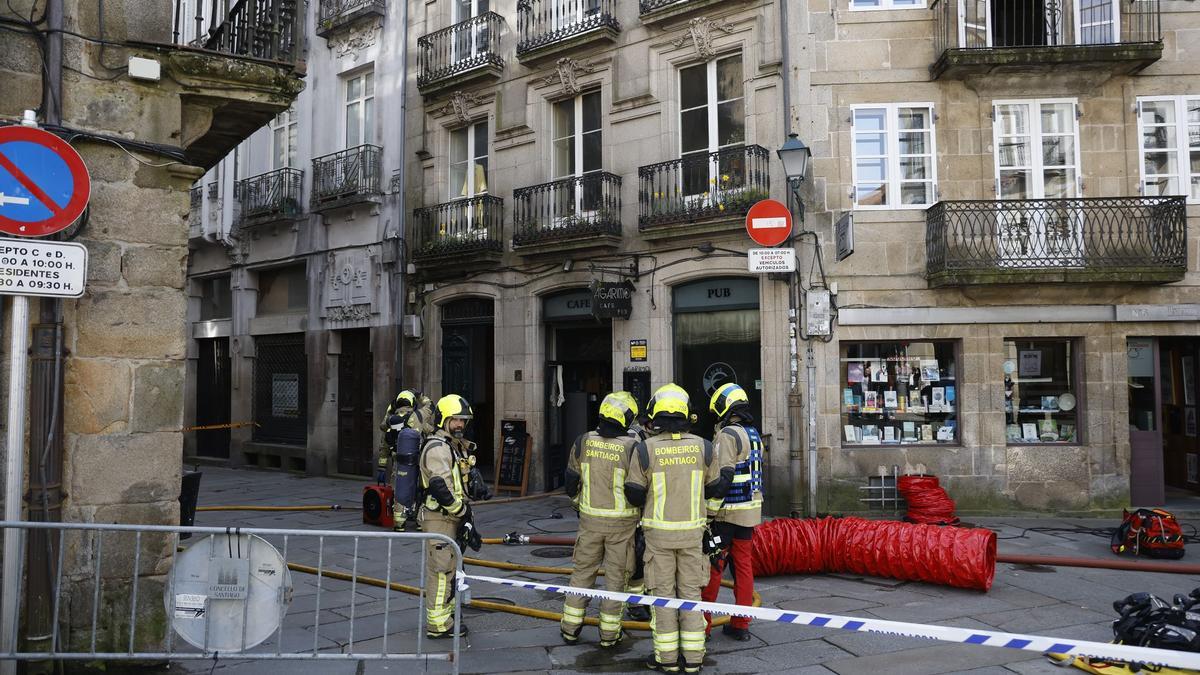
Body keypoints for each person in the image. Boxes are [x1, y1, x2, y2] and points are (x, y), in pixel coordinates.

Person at [624, 384, 733, 673]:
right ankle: (695, 659)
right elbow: (714, 488)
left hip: (658, 537)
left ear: (655, 415)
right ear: (687, 414)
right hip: (693, 536)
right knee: (690, 596)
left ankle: (667, 659)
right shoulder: (704, 447)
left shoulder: (645, 450)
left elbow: (633, 493)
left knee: (662, 598)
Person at [560, 392, 642, 647]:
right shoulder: (632, 448)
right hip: (622, 525)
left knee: (582, 574)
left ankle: (570, 628)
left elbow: (571, 482)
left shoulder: (583, 441)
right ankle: (609, 635)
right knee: (616, 579)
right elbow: (638, 490)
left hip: (589, 522)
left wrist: (580, 507)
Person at [700, 382, 764, 641]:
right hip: (749, 514)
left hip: (726, 514)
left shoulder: (727, 434)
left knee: (714, 565)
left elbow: (722, 479)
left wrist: (709, 513)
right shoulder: (753, 433)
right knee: (743, 568)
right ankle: (741, 625)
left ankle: (701, 626)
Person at [418, 394, 482, 639]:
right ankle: (439, 624)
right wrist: (463, 512)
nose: (460, 425)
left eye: (463, 421)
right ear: (443, 419)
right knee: (441, 572)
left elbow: (457, 482)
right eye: (455, 420)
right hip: (440, 518)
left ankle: (448, 614)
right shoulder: (437, 448)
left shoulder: (451, 446)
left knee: (451, 570)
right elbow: (440, 487)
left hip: (451, 517)